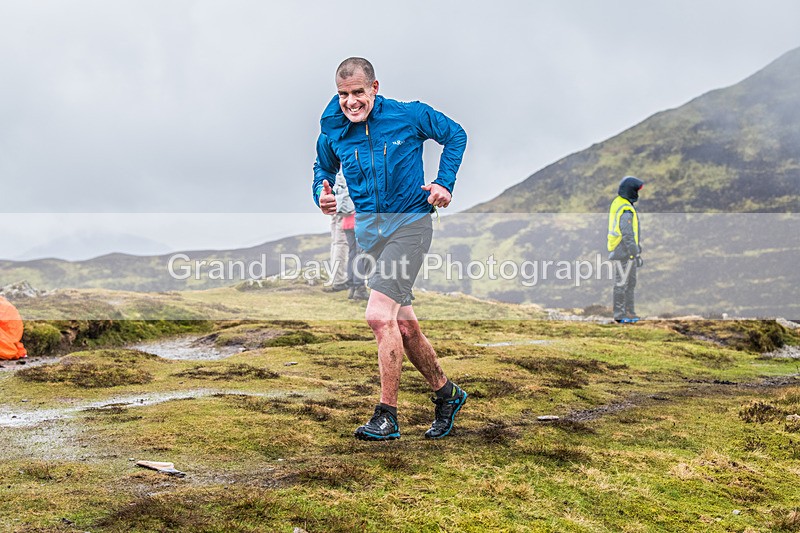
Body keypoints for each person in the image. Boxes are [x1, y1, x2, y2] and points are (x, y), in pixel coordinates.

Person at [313, 57, 468, 440]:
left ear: (374, 88)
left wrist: (443, 183)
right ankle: (447, 395)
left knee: (379, 316)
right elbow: (322, 168)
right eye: (343, 94)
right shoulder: (333, 129)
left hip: (410, 225)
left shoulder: (408, 115)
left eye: (358, 93)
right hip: (370, 237)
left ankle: (387, 415)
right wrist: (322, 191)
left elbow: (456, 134)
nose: (351, 102)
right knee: (404, 326)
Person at [607, 176, 645, 323]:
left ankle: (629, 313)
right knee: (623, 283)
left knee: (629, 283)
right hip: (623, 250)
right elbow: (627, 233)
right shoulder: (626, 209)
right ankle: (621, 315)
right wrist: (635, 253)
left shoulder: (620, 203)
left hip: (623, 249)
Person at [324, 173, 354, 292]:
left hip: (336, 206)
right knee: (341, 243)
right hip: (345, 208)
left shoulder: (333, 165)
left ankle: (336, 277)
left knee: (336, 243)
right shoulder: (346, 164)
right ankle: (339, 279)